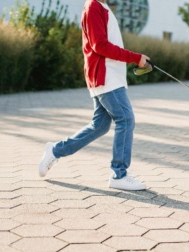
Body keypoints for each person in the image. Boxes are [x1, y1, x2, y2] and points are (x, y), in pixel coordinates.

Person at [38, 0, 150, 190]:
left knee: (99, 126)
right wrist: (135, 57)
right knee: (125, 119)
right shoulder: (93, 7)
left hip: (109, 77)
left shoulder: (103, 7)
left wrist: (137, 59)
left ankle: (55, 150)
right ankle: (119, 174)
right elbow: (100, 46)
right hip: (105, 77)